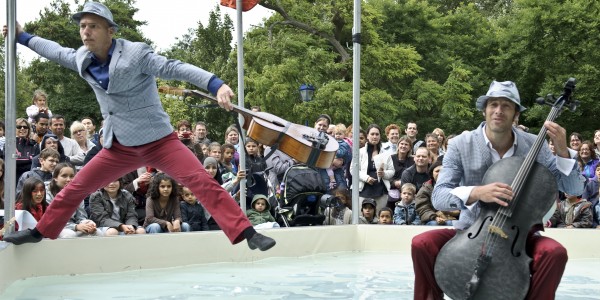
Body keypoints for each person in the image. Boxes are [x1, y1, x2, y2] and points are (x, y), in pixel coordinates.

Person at [3, 2, 275, 251]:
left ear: (110, 31)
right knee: (75, 187)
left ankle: (248, 233)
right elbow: (55, 51)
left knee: (202, 181)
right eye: (82, 26)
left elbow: (175, 67)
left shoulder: (136, 53)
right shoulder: (82, 57)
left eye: (93, 26)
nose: (85, 32)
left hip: (159, 141)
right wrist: (22, 36)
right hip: (119, 146)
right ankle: (40, 231)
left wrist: (216, 84)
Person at [411, 80, 585, 300]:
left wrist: (563, 152)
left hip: (518, 238)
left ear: (516, 115)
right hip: (470, 232)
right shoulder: (461, 144)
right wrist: (477, 193)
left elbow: (575, 188)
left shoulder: (536, 145)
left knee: (555, 253)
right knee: (421, 244)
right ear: (484, 110)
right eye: (493, 104)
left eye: (506, 106)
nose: (498, 111)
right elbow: (439, 197)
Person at [46, 163, 100, 238]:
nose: (68, 179)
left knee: (96, 231)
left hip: (72, 225)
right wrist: (76, 227)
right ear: (55, 178)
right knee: (69, 235)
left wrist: (87, 224)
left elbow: (81, 217)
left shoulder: (78, 192)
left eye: (72, 176)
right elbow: (52, 221)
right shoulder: (47, 193)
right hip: (54, 228)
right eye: (64, 176)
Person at [352, 124, 394, 211]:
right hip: (363, 189)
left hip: (381, 190)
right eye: (372, 134)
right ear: (367, 136)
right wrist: (366, 178)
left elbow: (392, 171)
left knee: (379, 218)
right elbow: (353, 170)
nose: (374, 136)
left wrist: (384, 174)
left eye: (377, 134)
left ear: (380, 136)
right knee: (362, 218)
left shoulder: (386, 153)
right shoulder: (360, 152)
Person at [415, 161, 459, 226]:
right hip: (432, 219)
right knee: (435, 224)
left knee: (451, 223)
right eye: (437, 171)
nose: (440, 173)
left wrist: (450, 212)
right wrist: (435, 217)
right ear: (432, 174)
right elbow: (422, 208)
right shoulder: (425, 189)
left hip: (453, 218)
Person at [388, 136, 415, 209]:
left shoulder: (413, 160)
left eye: (406, 144)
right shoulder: (390, 158)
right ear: (398, 145)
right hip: (391, 192)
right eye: (402, 144)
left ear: (410, 147)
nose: (403, 146)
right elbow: (386, 175)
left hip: (407, 193)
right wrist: (394, 183)